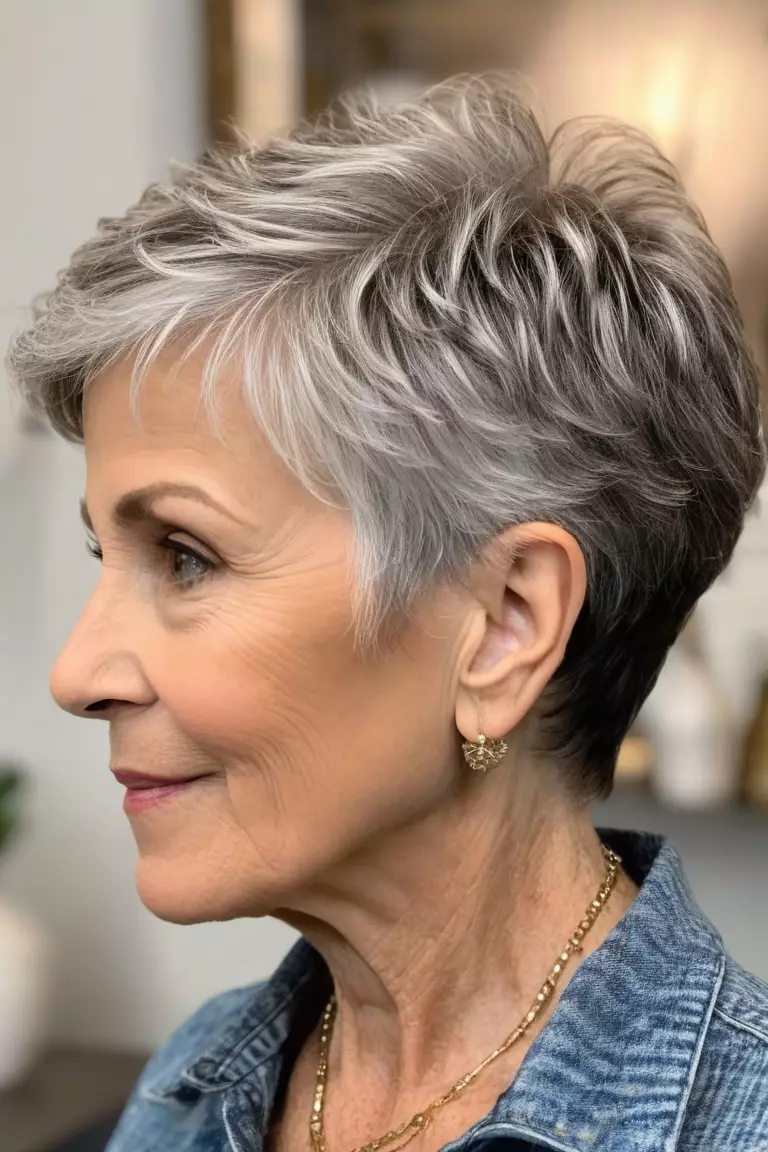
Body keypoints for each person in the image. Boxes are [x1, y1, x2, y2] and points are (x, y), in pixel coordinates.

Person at [8, 75, 768, 1152]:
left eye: (186, 555)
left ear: (506, 624)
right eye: (104, 551)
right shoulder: (195, 1085)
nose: (78, 673)